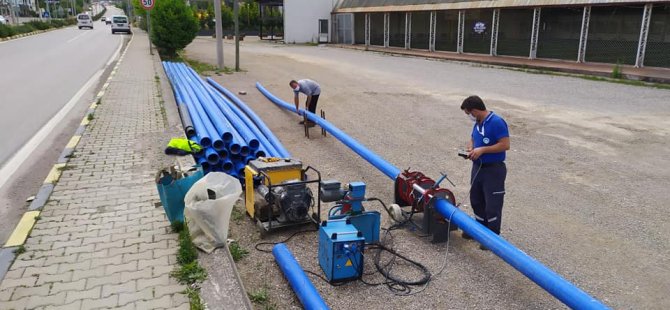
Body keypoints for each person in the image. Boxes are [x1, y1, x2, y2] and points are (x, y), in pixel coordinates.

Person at [460, 95, 510, 250]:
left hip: (493, 169)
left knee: (492, 204)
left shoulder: (496, 122)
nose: (469, 116)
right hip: (478, 167)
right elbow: (473, 138)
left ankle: (491, 236)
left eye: (469, 113)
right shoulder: (478, 122)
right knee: (476, 199)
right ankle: (479, 229)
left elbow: (505, 145)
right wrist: (471, 147)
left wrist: (483, 150)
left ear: (475, 110)